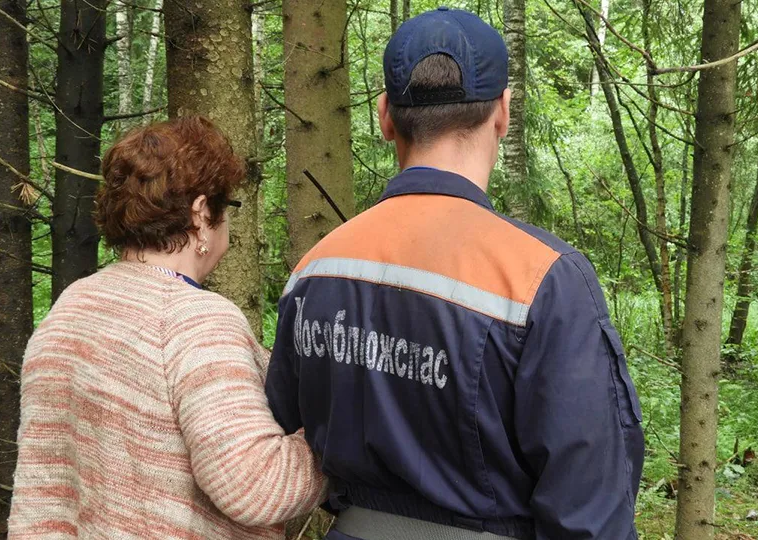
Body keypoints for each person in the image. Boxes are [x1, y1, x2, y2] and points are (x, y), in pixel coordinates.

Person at [265, 7, 644, 540]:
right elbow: (590, 508)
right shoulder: (543, 278)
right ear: (504, 113)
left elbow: (275, 437)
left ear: (385, 117)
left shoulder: (316, 269)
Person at [8, 116, 326, 539]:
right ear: (200, 213)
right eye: (225, 208)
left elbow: (42, 491)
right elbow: (255, 486)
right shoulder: (194, 321)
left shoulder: (69, 310)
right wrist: (333, 445)